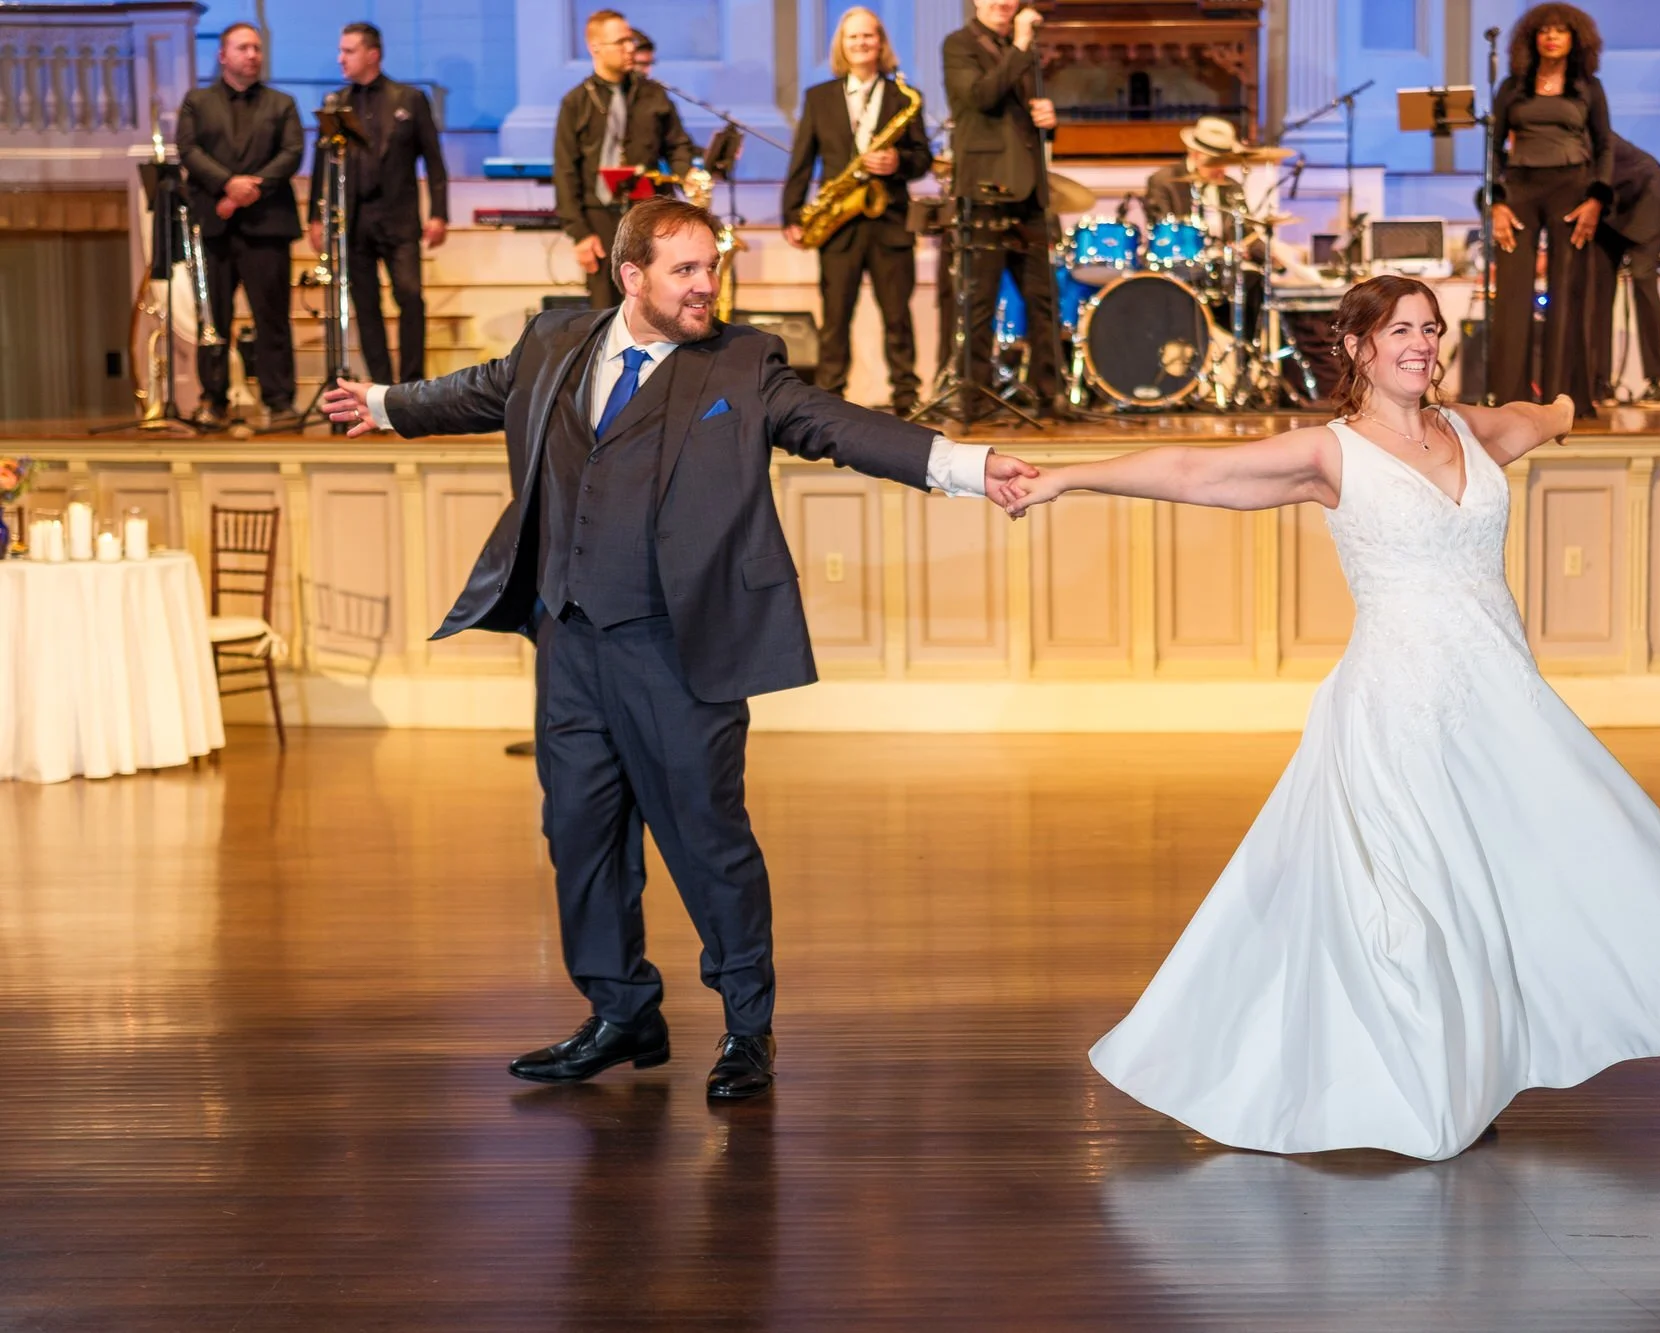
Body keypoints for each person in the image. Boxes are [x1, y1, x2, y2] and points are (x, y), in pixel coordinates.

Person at [997, 275, 1660, 1160]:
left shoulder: (1469, 431)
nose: (1422, 344)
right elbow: (1191, 470)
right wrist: (1064, 479)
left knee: (1549, 865)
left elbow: (1538, 415)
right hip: (1396, 705)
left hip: (1501, 705)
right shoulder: (1331, 454)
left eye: (1432, 329)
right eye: (1401, 329)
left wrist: (1563, 406)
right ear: (1359, 347)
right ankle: (1425, 1084)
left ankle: (1482, 1059)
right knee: (1418, 898)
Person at [321, 199, 1037, 1098]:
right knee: (578, 833)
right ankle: (622, 1010)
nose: (708, 285)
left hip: (677, 649)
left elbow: (838, 427)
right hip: (569, 639)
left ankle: (747, 1027)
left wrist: (966, 467)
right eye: (686, 271)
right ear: (633, 277)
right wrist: (385, 404)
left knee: (706, 839)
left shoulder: (741, 361)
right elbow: (479, 388)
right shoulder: (557, 342)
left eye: (712, 268)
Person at [782, 7, 934, 416]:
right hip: (838, 223)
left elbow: (923, 159)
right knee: (835, 318)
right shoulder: (819, 97)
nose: (861, 43)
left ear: (881, 43)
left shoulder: (905, 96)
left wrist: (897, 163)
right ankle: (830, 398)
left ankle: (906, 396)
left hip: (891, 221)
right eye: (853, 38)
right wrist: (791, 215)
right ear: (842, 46)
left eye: (868, 36)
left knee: (897, 316)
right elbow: (801, 161)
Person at [174, 22, 303, 430]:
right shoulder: (198, 102)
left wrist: (249, 189)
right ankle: (213, 400)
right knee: (213, 319)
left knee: (272, 317)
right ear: (223, 55)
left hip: (267, 224)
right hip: (214, 227)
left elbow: (292, 152)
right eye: (244, 48)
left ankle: (279, 401)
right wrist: (226, 185)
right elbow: (188, 149)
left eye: (257, 48)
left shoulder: (281, 103)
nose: (253, 55)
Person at [943, 0, 1068, 419]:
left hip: (1029, 190)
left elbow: (1020, 119)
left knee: (1043, 298)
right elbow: (981, 97)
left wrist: (1048, 121)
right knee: (979, 301)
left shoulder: (1022, 51)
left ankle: (1050, 394)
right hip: (985, 189)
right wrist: (1020, 44)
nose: (1004, 3)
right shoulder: (958, 45)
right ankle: (974, 398)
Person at [1488, 4, 1614, 416]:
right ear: (1532, 38)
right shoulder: (1511, 86)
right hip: (1521, 187)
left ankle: (1567, 400)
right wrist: (1497, 204)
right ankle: (1511, 400)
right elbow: (1493, 152)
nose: (1552, 37)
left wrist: (1596, 199)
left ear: (1576, 38)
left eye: (1561, 30)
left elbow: (1604, 146)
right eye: (1544, 30)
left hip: (1573, 189)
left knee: (1569, 292)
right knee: (1511, 294)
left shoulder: (1588, 87)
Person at [307, 23, 449, 387]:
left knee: (410, 298)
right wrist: (315, 218)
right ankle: (380, 389)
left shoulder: (410, 99)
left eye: (348, 51)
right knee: (366, 307)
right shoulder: (336, 104)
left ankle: (412, 385)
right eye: (340, 50)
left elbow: (434, 161)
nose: (340, 58)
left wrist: (438, 213)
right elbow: (321, 165)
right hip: (355, 221)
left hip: (399, 218)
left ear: (372, 54)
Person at [553, 9, 703, 309]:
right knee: (606, 310)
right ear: (596, 47)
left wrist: (687, 173)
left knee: (654, 303)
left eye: (630, 40)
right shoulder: (576, 102)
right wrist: (580, 234)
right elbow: (565, 169)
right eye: (621, 42)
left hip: (647, 215)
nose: (630, 47)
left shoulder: (653, 95)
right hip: (599, 217)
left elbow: (678, 146)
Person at [1585, 132, 1660, 407]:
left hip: (1646, 193)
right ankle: (1600, 383)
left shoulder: (1579, 129)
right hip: (1608, 206)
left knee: (1643, 278)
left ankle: (1659, 382)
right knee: (1599, 291)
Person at [1142, 117, 1241, 224]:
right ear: (1196, 155)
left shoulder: (1232, 186)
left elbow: (1246, 232)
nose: (1223, 169)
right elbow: (1163, 233)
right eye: (1216, 163)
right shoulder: (1163, 182)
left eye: (1226, 162)